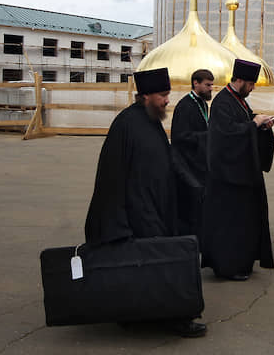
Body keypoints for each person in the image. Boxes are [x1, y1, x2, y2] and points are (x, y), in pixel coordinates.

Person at [84, 67, 207, 338]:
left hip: (156, 208)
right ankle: (172, 319)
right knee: (162, 265)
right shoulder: (127, 124)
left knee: (153, 266)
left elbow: (166, 159)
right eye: (163, 95)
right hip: (137, 212)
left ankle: (144, 314)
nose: (167, 101)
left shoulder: (149, 119)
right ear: (147, 95)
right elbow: (114, 176)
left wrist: (192, 186)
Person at [202, 59, 274, 281]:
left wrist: (260, 124)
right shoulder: (223, 102)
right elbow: (226, 135)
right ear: (240, 80)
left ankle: (242, 261)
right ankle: (227, 266)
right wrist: (254, 124)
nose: (252, 88)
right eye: (251, 84)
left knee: (245, 222)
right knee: (230, 224)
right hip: (228, 177)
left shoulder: (239, 101)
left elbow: (242, 124)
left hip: (242, 173)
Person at [170, 68, 214, 238]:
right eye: (208, 85)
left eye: (212, 85)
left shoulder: (202, 103)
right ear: (196, 83)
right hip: (188, 164)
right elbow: (180, 137)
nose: (211, 88)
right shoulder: (185, 106)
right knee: (189, 209)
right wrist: (208, 136)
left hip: (201, 162)